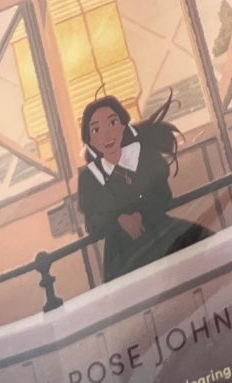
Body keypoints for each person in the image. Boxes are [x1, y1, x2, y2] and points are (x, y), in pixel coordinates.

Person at [74, 97, 210, 284]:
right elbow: (92, 222)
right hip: (121, 253)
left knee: (206, 250)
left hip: (159, 231)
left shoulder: (144, 155)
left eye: (113, 123)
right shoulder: (89, 178)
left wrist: (140, 214)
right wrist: (120, 220)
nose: (106, 134)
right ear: (90, 140)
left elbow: (162, 194)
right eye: (96, 130)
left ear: (123, 125)